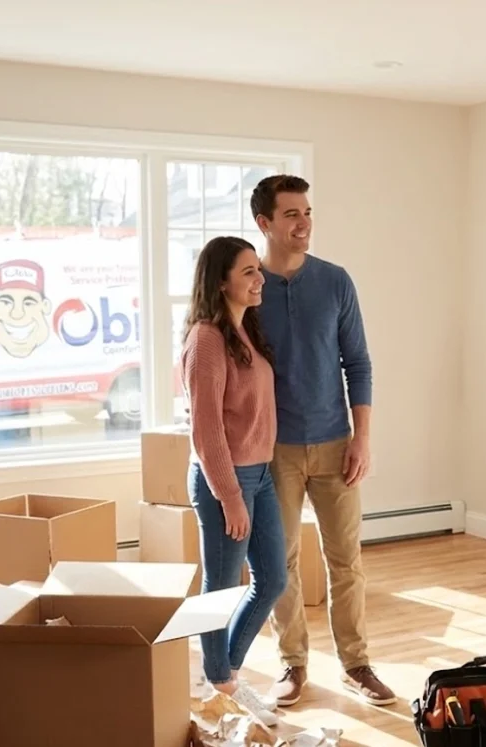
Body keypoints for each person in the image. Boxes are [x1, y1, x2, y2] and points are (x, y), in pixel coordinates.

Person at [248, 174, 397, 708]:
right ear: (264, 223)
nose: (303, 223)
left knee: (346, 561)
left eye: (307, 212)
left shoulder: (335, 282)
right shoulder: (248, 288)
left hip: (336, 443)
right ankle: (292, 664)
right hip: (274, 450)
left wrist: (362, 438)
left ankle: (356, 664)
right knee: (279, 563)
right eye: (290, 214)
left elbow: (357, 362)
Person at [181, 235, 288, 727]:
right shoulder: (206, 338)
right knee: (220, 588)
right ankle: (220, 681)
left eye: (256, 270)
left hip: (259, 473)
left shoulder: (243, 332)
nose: (258, 278)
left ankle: (221, 674)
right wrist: (230, 497)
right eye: (247, 271)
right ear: (220, 279)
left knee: (272, 579)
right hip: (225, 477)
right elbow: (206, 431)